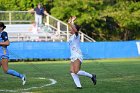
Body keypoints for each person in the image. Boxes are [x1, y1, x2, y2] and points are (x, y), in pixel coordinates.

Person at [68, 16, 97, 89]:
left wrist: (70, 23)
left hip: (78, 55)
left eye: (72, 28)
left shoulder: (76, 36)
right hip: (73, 56)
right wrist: (72, 22)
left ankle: (92, 76)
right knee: (72, 72)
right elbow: (74, 28)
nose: (70, 28)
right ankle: (79, 86)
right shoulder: (71, 36)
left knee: (76, 71)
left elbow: (76, 30)